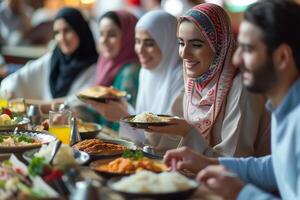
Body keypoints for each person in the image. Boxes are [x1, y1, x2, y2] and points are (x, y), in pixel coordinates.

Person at [164, 0, 300, 199]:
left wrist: (241, 193)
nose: (235, 59)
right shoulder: (283, 106)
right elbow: (277, 165)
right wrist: (210, 163)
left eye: (248, 49)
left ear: (282, 57)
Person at [148, 3, 270, 157]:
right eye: (181, 43)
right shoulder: (194, 83)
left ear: (219, 46)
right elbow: (166, 142)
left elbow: (234, 161)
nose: (184, 54)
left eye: (196, 45)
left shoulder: (242, 86)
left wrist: (188, 133)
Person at [87, 10, 184, 150]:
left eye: (149, 43)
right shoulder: (146, 72)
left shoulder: (182, 78)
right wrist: (123, 107)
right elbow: (143, 121)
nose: (140, 50)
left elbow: (168, 141)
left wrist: (124, 116)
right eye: (137, 42)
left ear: (168, 42)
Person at [0, 7, 98, 112]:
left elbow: (79, 102)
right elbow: (16, 78)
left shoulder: (95, 66)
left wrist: (26, 104)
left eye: (67, 30)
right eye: (57, 33)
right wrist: (9, 92)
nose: (62, 38)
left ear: (80, 30)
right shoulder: (53, 59)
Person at [87, 10, 140, 131]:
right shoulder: (105, 63)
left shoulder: (130, 72)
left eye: (112, 35)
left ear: (129, 36)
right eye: (101, 34)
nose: (104, 41)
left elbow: (124, 124)